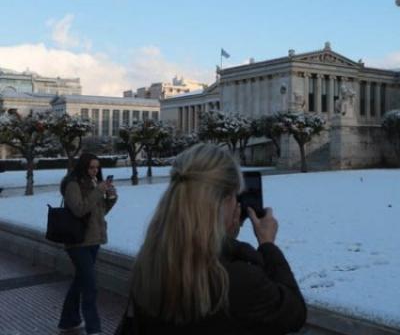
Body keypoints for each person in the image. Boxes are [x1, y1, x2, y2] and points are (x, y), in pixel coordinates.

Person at [124, 143, 306, 334]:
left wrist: (224, 239)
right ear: (226, 200)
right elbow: (294, 313)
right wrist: (268, 245)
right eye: (236, 196)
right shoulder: (238, 280)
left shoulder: (150, 262)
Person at [58, 153, 118, 335]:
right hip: (78, 243)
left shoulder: (93, 184)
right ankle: (94, 329)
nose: (95, 171)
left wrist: (111, 197)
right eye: (92, 167)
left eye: (97, 167)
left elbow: (99, 213)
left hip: (93, 240)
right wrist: (98, 191)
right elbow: (79, 210)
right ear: (83, 167)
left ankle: (69, 321)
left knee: (80, 282)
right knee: (90, 286)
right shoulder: (72, 184)